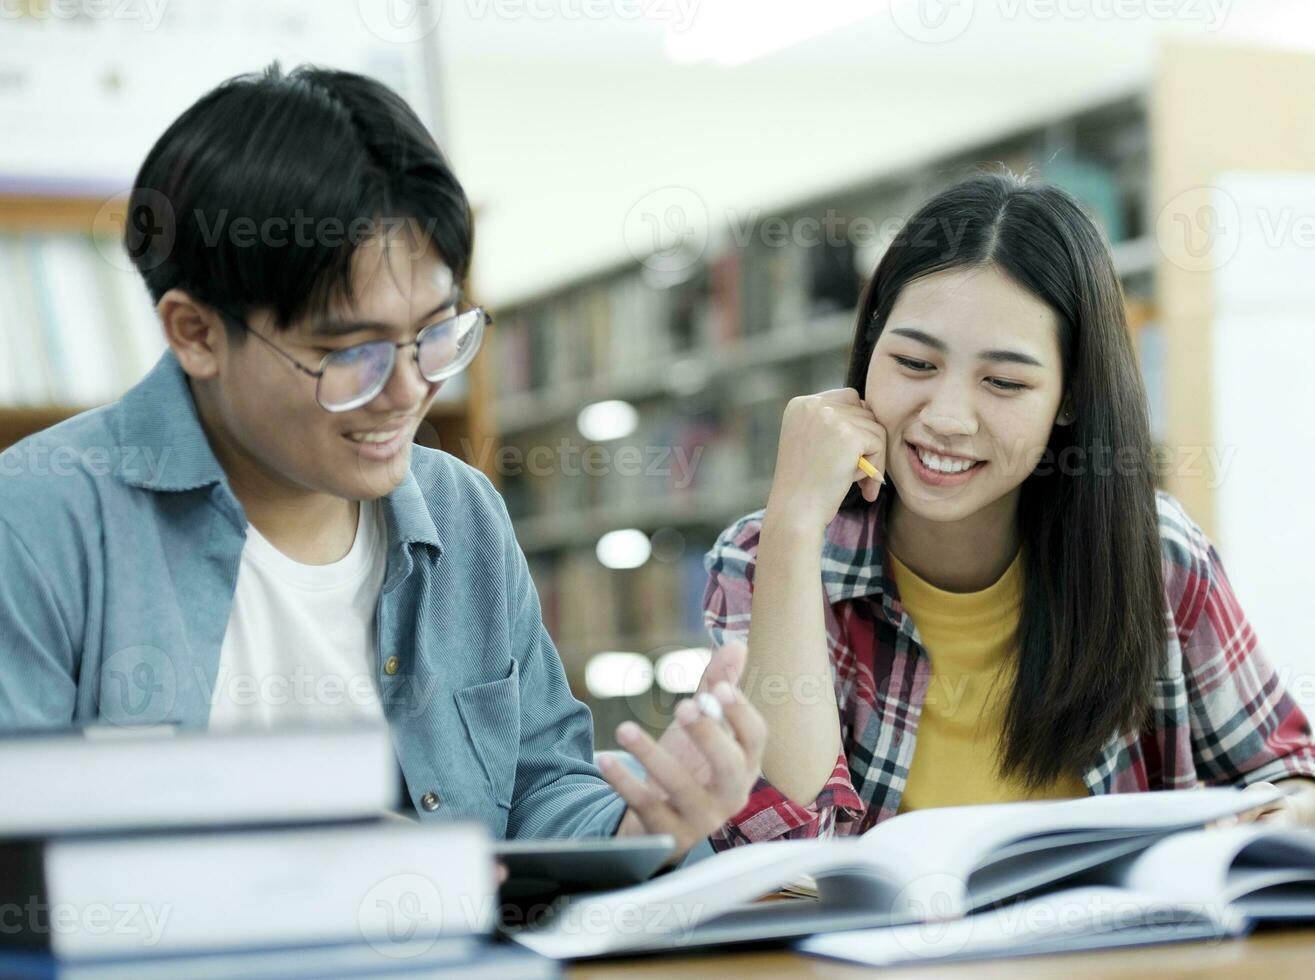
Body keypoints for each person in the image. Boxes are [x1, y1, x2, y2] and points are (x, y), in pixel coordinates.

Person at [0, 63, 763, 863]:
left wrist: (636, 828)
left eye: (437, 335)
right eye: (348, 353)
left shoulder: (459, 511)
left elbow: (539, 782)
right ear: (195, 333)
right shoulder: (41, 521)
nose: (407, 392)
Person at [701, 172, 1315, 848]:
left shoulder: (1152, 552)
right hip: (878, 953)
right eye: (915, 364)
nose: (947, 418)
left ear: (1069, 396)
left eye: (1004, 381)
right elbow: (780, 860)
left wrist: (1284, 812)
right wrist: (794, 525)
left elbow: (1298, 772)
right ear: (868, 353)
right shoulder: (764, 555)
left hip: (1119, 953)